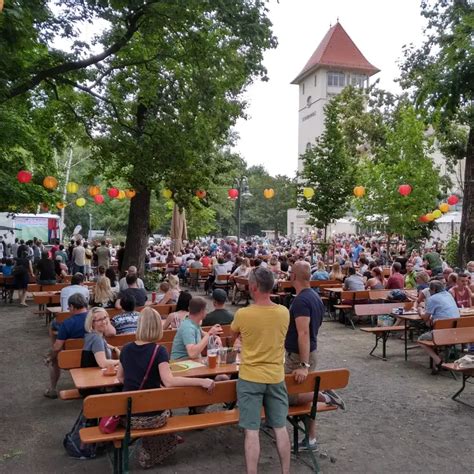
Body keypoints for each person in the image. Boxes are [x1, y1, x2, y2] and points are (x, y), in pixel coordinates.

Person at [117, 307, 215, 469]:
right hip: (153, 417)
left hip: (128, 416)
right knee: (167, 407)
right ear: (157, 326)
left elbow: (120, 377)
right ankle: (160, 446)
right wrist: (201, 381)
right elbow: (169, 381)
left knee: (165, 405)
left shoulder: (126, 348)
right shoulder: (159, 351)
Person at [231, 267, 291, 474]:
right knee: (280, 427)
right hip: (275, 376)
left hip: (250, 377)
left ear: (253, 287)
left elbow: (234, 334)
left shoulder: (243, 314)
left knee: (252, 431)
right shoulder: (284, 312)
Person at [285, 261, 345, 451]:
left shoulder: (302, 300)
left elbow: (303, 333)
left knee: (286, 395)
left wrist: (303, 364)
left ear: (294, 276)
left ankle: (323, 395)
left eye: (290, 272)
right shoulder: (314, 296)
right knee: (304, 397)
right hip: (308, 352)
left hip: (300, 356)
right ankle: (310, 440)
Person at [44, 294, 115, 398]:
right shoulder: (96, 318)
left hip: (75, 359)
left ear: (72, 307)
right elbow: (112, 333)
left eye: (69, 307)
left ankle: (53, 388)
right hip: (98, 356)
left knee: (55, 358)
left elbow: (57, 346)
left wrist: (50, 356)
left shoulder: (68, 323)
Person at [418, 281, 460, 373]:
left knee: (421, 340)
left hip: (441, 333)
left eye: (430, 290)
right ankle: (442, 362)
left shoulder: (432, 299)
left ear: (433, 289)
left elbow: (425, 318)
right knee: (437, 335)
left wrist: (420, 310)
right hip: (455, 332)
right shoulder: (449, 295)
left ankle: (438, 361)